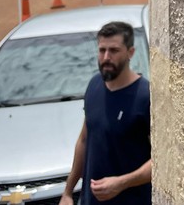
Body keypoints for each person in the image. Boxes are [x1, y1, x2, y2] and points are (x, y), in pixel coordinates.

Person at [61, 21, 152, 204]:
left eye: (114, 50)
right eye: (102, 50)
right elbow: (85, 139)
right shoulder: (94, 85)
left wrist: (122, 183)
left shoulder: (146, 97)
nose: (106, 57)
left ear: (130, 53)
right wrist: (68, 192)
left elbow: (161, 160)